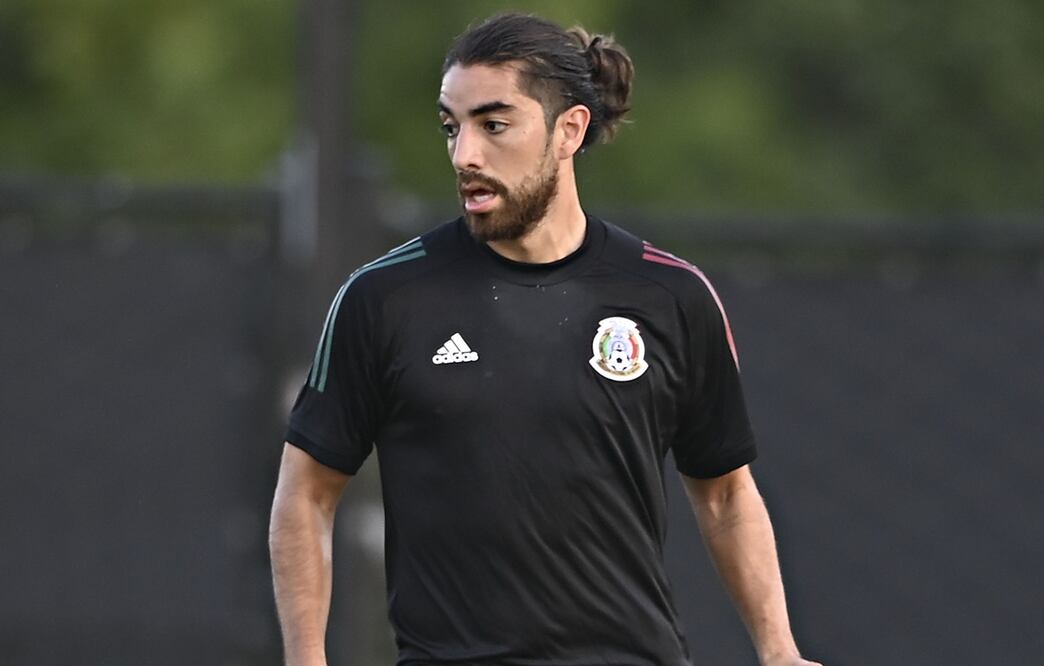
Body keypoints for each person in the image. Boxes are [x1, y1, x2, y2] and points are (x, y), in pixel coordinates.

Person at [270, 12, 820, 666]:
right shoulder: (382, 298)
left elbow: (726, 493)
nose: (464, 154)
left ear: (570, 129)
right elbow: (305, 495)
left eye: (493, 125)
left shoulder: (670, 297)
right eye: (452, 126)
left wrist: (780, 652)